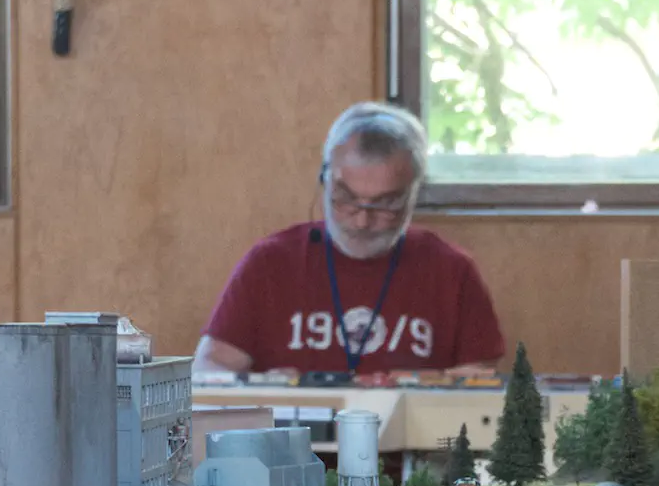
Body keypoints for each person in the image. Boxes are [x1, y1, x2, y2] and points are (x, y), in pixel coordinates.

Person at [195, 102, 504, 380]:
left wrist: (423, 389)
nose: (362, 221)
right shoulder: (270, 263)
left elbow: (479, 379)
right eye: (345, 198)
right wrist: (264, 388)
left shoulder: (452, 271)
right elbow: (208, 369)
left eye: (385, 204)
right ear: (324, 180)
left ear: (414, 194)